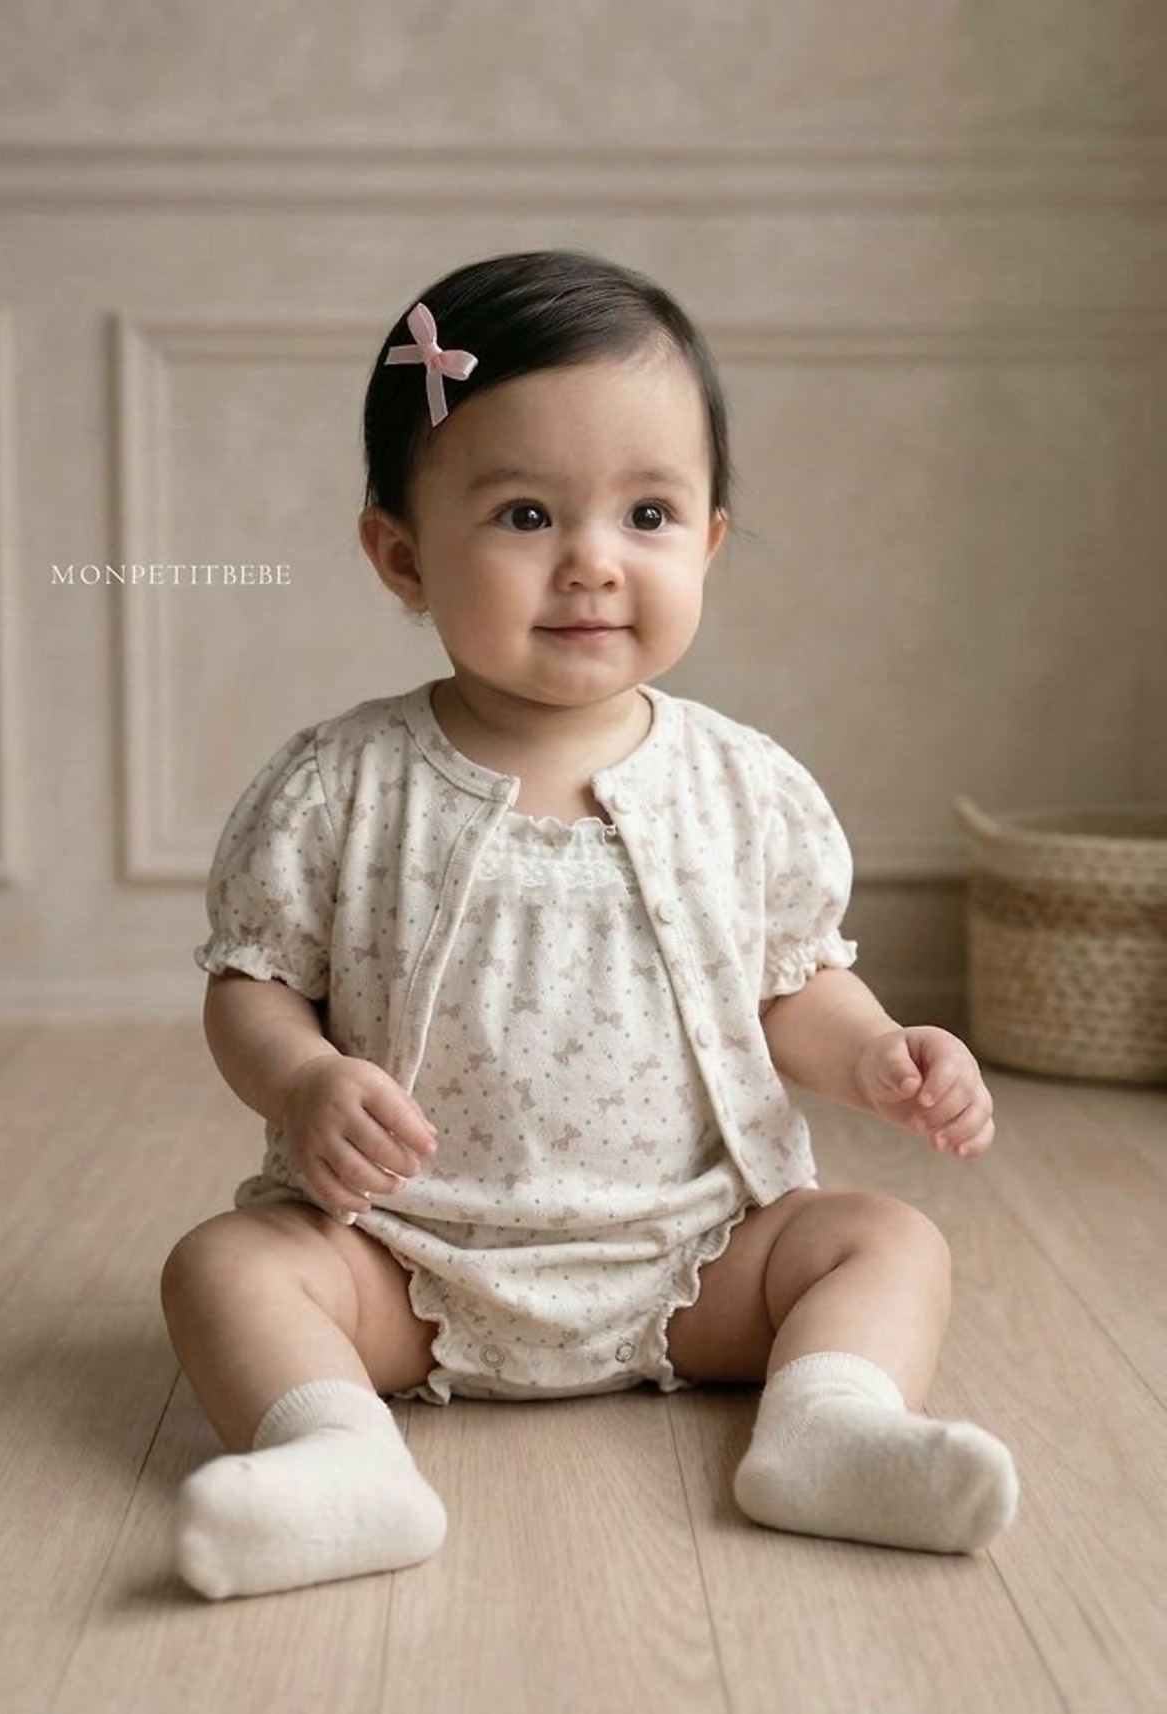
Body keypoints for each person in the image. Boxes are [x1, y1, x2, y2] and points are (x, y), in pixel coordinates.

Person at [161, 249, 1018, 1602]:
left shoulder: (745, 789)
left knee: (886, 1242)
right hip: (402, 1255)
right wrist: (304, 1075)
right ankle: (338, 1455)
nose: (591, 564)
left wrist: (876, 1055)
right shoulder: (341, 786)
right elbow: (251, 984)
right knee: (222, 1268)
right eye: (524, 514)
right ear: (401, 554)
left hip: (695, 1254)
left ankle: (828, 1427)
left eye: (648, 514)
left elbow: (793, 982)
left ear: (709, 542)